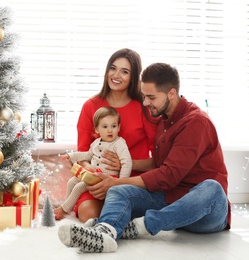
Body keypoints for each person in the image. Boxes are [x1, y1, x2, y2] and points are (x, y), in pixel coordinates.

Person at [57, 62, 231, 253]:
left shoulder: (196, 122)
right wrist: (120, 172)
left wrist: (116, 181)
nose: (146, 102)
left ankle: (141, 227)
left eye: (151, 97)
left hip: (204, 211)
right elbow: (159, 163)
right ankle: (104, 233)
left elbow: (167, 175)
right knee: (121, 190)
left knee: (212, 189)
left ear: (171, 93)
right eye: (144, 96)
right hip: (171, 199)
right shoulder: (164, 119)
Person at [74, 48, 158, 222]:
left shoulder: (144, 108)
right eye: (113, 68)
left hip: (132, 183)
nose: (116, 75)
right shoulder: (90, 106)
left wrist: (124, 166)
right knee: (88, 215)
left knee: (125, 213)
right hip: (98, 180)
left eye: (124, 71)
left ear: (134, 77)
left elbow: (158, 159)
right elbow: (82, 155)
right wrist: (95, 178)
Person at [54, 106, 132, 220]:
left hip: (107, 177)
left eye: (113, 126)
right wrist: (71, 156)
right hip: (93, 175)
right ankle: (68, 206)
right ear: (97, 129)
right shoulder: (96, 143)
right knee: (71, 182)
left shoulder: (119, 143)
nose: (110, 130)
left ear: (119, 127)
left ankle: (63, 209)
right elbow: (87, 155)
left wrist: (121, 182)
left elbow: (127, 163)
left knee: (79, 187)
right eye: (105, 127)